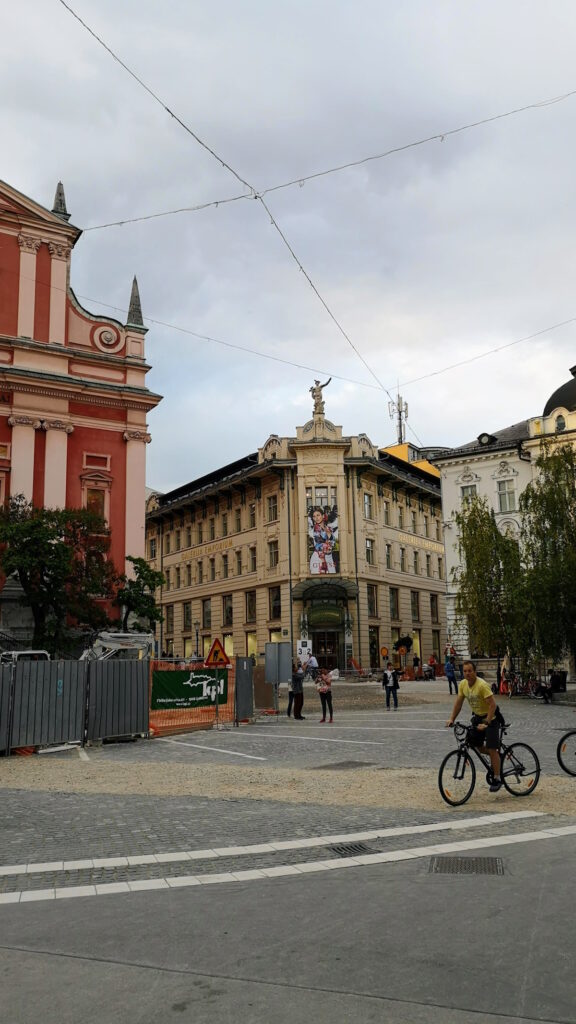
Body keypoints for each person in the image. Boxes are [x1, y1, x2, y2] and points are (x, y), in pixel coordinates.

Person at [446, 660, 503, 792]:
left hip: (491, 718)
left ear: (475, 672)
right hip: (477, 717)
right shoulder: (463, 684)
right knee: (476, 745)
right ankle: (496, 758)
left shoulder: (482, 685)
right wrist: (452, 719)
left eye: (470, 671)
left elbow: (492, 705)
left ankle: (497, 777)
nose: (467, 673)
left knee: (492, 748)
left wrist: (487, 723)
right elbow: (458, 704)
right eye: (465, 671)